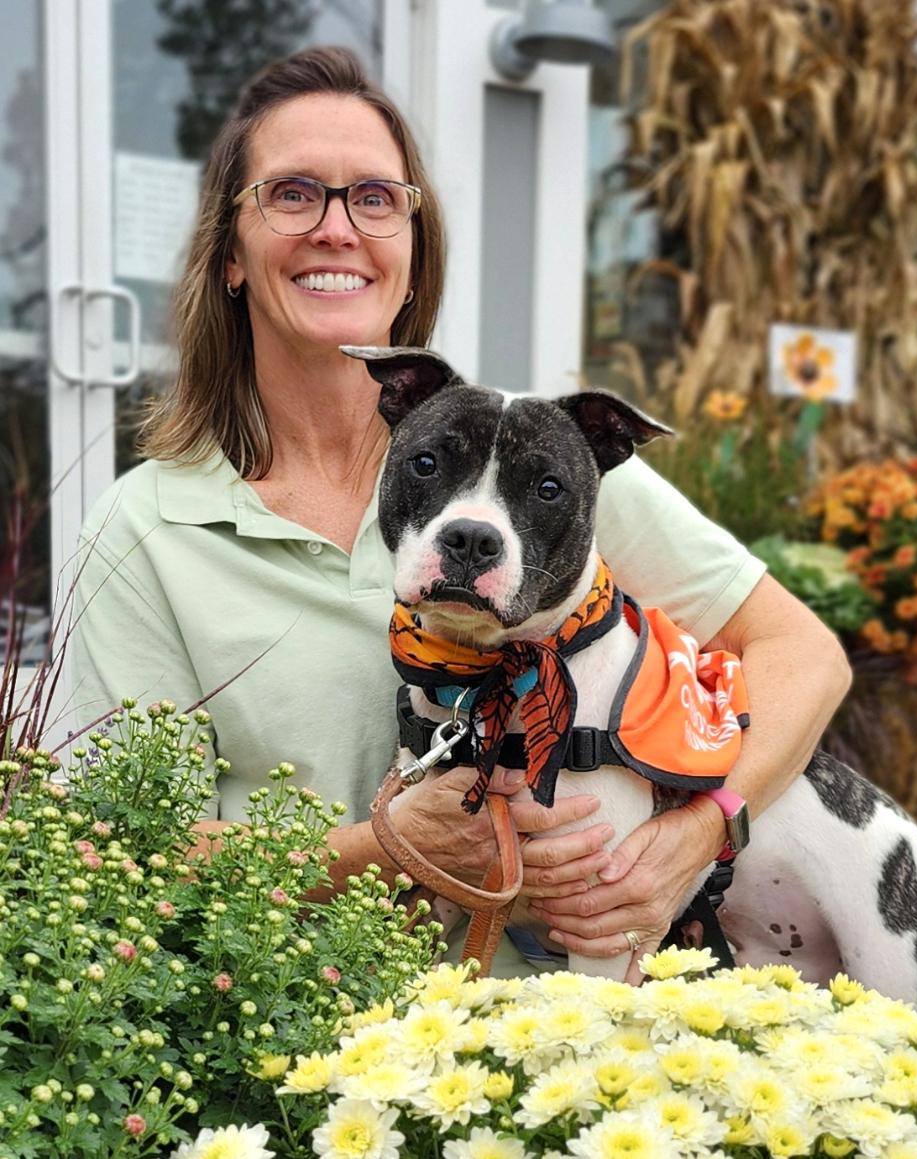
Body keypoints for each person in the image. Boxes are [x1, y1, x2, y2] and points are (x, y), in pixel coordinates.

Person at [70, 46, 851, 979]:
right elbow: (117, 865)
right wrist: (386, 846)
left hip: (567, 1034)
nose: (336, 228)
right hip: (300, 1038)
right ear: (230, 254)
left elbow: (805, 655)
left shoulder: (539, 465)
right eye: (291, 194)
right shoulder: (146, 532)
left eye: (375, 198)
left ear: (411, 255)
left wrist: (698, 833)